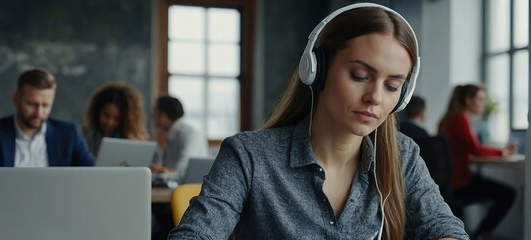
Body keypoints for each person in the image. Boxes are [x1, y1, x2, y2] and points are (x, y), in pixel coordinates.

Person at [169, 3, 468, 240]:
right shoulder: (249, 156)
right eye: (360, 76)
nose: (375, 97)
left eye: (392, 86)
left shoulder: (402, 156)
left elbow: (444, 227)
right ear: (316, 70)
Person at [0, 69, 95, 240]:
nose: (38, 113)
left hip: (55, 222)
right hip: (5, 221)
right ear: (16, 99)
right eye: (32, 104)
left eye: (45, 105)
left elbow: (93, 174)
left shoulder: (68, 133)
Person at [438, 84, 516, 239]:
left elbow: (469, 149)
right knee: (508, 194)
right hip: (460, 183)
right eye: (480, 99)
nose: (484, 104)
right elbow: (477, 150)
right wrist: (503, 151)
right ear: (468, 100)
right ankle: (481, 234)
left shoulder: (451, 118)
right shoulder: (460, 118)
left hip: (450, 181)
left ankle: (480, 234)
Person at [81, 82, 150, 156]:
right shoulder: (85, 136)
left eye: (116, 119)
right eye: (106, 115)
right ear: (97, 112)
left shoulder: (132, 140)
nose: (110, 122)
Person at [149, 96, 208, 179]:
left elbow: (182, 171)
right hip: (174, 185)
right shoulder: (170, 135)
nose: (152, 118)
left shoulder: (190, 134)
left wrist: (163, 170)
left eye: (154, 113)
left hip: (188, 188)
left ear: (163, 116)